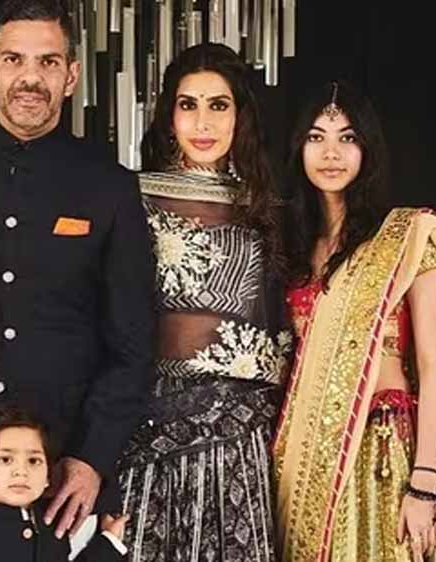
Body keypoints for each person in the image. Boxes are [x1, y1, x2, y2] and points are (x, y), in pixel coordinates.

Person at [0, 1, 156, 560]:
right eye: (14, 59)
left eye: (48, 61)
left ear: (71, 75)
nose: (30, 77)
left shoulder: (109, 188)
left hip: (58, 478)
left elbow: (133, 346)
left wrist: (91, 459)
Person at [274, 81, 436, 562]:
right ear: (298, 149)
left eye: (347, 138)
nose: (331, 153)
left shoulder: (406, 240)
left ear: (367, 149)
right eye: (316, 137)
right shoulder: (289, 250)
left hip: (385, 453)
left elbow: (433, 366)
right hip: (305, 461)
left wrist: (424, 481)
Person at [115, 43, 292, 562]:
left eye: (218, 105)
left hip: (239, 433)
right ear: (169, 118)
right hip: (146, 428)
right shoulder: (131, 198)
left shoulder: (270, 210)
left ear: (241, 116)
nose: (203, 122)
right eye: (188, 104)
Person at [0, 406, 128, 562]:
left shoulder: (51, 522)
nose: (21, 471)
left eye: (34, 461)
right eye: (6, 459)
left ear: (48, 475)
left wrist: (109, 543)